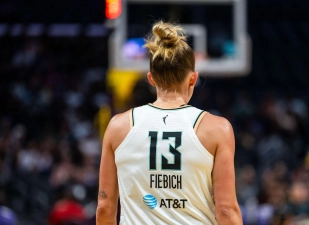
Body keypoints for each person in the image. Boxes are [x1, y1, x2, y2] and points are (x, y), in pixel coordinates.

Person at [96, 21, 242, 225]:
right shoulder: (217, 129)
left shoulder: (118, 126)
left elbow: (105, 207)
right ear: (193, 79)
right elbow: (226, 210)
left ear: (151, 79)